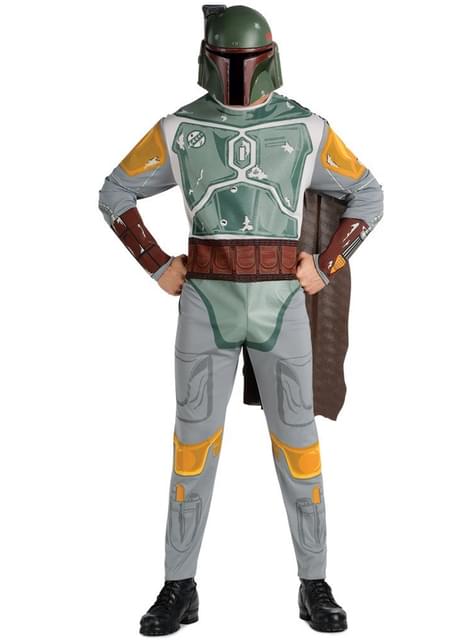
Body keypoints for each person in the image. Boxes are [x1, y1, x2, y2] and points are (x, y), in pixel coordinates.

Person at [98, 4, 383, 635]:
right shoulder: (179, 129)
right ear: (208, 60)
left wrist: (326, 264)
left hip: (281, 304)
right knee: (192, 446)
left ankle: (314, 583)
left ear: (268, 59)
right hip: (206, 302)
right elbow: (114, 192)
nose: (237, 73)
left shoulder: (306, 129)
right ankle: (179, 585)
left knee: (299, 446)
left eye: (245, 61)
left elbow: (369, 194)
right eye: (228, 60)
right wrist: (157, 264)